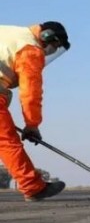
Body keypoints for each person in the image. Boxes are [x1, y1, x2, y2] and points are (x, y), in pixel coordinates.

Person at [0, 21, 70, 201]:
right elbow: (30, 93)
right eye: (54, 47)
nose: (50, 52)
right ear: (46, 36)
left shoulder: (9, 33)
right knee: (7, 142)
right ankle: (32, 187)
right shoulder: (30, 49)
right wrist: (32, 124)